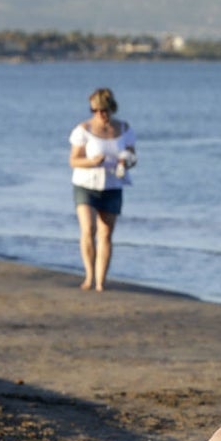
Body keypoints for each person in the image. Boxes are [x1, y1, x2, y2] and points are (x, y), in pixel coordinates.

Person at [69, 87, 136, 292]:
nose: (100, 114)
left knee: (106, 234)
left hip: (112, 185)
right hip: (85, 184)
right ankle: (89, 275)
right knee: (89, 229)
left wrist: (126, 163)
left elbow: (133, 156)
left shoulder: (124, 129)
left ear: (111, 109)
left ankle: (100, 281)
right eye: (95, 110)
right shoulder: (83, 130)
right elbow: (73, 160)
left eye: (104, 110)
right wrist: (91, 161)